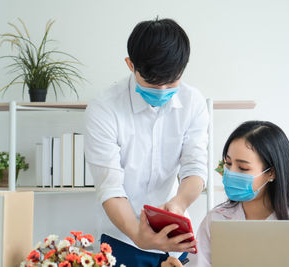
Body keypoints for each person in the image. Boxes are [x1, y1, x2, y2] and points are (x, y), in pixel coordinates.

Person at [84, 17, 208, 267]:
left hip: (174, 237)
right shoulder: (104, 108)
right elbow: (110, 187)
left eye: (171, 82)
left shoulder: (193, 102)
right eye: (152, 82)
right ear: (131, 65)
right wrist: (138, 235)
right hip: (122, 239)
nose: (162, 89)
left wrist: (178, 203)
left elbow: (195, 169)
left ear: (183, 69)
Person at [161, 120, 289, 267]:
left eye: (243, 168)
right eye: (228, 164)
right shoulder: (216, 220)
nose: (230, 173)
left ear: (271, 172)